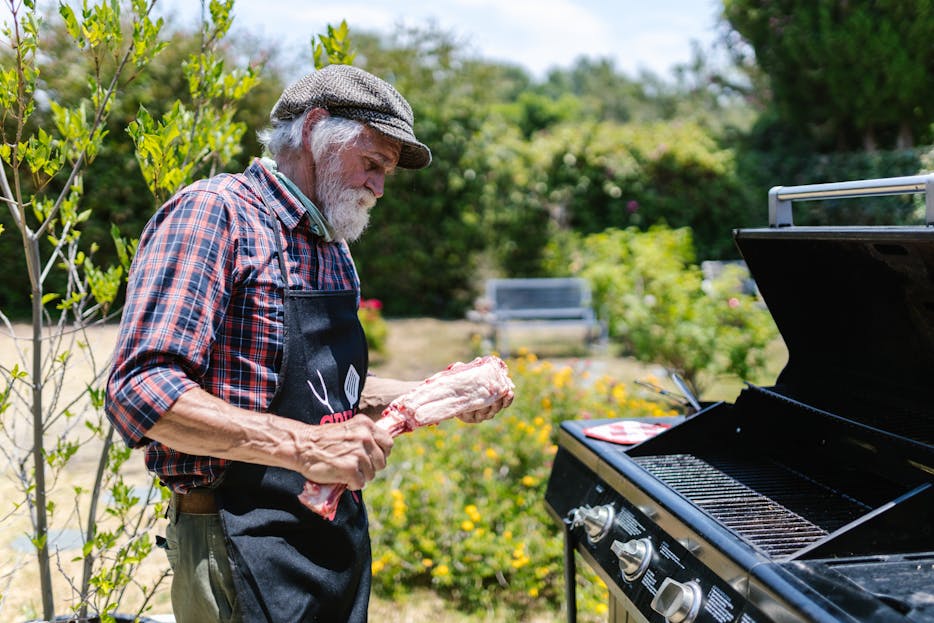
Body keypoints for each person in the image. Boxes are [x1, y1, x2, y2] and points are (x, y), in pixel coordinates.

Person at [105, 64, 512, 623]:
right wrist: (305, 449)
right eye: (372, 164)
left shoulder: (330, 245)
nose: (379, 187)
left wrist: (434, 395)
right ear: (315, 129)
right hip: (234, 537)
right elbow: (141, 389)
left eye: (387, 172)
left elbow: (321, 387)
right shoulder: (215, 215)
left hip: (329, 534)